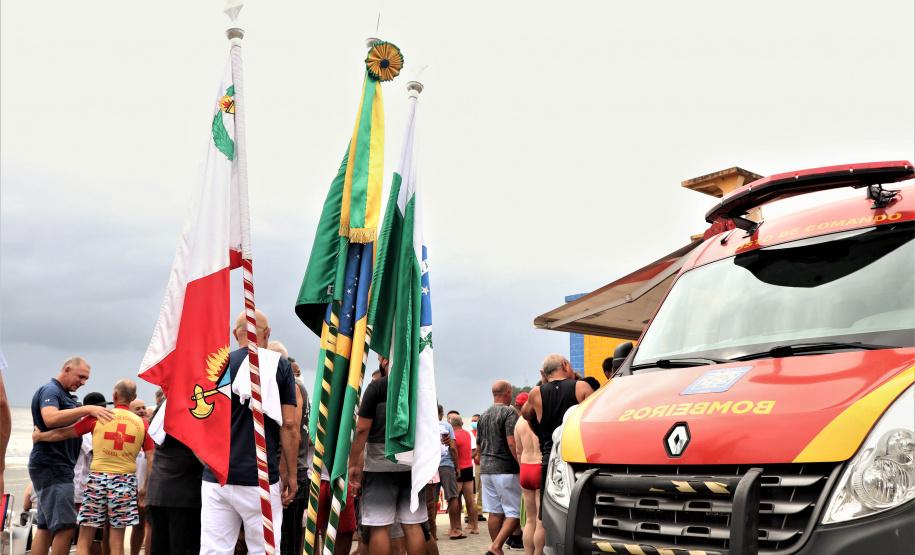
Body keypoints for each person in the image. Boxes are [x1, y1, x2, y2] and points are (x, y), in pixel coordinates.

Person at [200, 310, 299, 555]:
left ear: (235, 334)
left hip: (217, 476)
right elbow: (289, 425)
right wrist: (291, 474)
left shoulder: (217, 364)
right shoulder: (280, 366)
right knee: (264, 551)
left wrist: (206, 461)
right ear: (267, 334)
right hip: (260, 477)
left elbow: (199, 420)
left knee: (214, 551)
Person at [32, 379, 154, 555]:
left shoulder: (98, 417)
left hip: (97, 480)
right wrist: (144, 488)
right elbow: (151, 457)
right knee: (117, 543)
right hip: (125, 482)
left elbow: (63, 433)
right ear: (134, 397)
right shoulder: (143, 424)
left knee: (83, 541)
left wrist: (40, 437)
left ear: (114, 395)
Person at [29, 357, 114, 555]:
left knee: (44, 527)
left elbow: (59, 429)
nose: (83, 382)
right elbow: (50, 419)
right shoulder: (52, 390)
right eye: (81, 376)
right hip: (53, 466)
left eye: (86, 379)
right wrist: (87, 409)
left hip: (54, 465)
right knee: (66, 526)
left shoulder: (63, 394)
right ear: (67, 370)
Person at [348, 358, 427, 555]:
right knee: (413, 524)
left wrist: (353, 462)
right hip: (413, 466)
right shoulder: (421, 386)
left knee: (379, 526)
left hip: (379, 467)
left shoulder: (376, 388)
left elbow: (361, 430)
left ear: (385, 360)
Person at [521, 354, 593, 550]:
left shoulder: (536, 393)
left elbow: (526, 414)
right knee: (581, 512)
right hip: (578, 459)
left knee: (547, 516)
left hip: (549, 458)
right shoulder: (582, 387)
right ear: (565, 365)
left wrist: (544, 385)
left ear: (545, 373)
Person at [477, 381, 522, 555]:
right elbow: (512, 442)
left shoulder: (483, 415)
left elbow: (479, 448)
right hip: (505, 469)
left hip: (486, 470)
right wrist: (520, 463)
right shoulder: (509, 412)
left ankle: (496, 548)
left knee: (494, 512)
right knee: (515, 512)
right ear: (508, 392)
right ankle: (496, 547)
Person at [145, 431, 204, 555]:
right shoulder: (188, 426)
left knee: (161, 547)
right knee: (182, 548)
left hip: (158, 491)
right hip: (183, 495)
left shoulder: (162, 424)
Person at [514, 393, 542, 555]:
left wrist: (522, 467)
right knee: (540, 520)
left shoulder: (519, 421)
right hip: (539, 466)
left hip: (525, 467)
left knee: (529, 520)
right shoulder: (541, 418)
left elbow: (518, 450)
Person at [434, 405, 463, 540]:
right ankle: (453, 530)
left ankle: (432, 532)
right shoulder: (447, 426)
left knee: (432, 499)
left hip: (431, 467)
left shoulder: (424, 425)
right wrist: (457, 467)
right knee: (453, 497)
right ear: (441, 414)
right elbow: (453, 448)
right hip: (446, 465)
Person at [127, 399, 151, 555]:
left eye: (143, 408)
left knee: (140, 524)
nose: (142, 410)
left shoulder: (150, 433)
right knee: (114, 525)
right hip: (125, 485)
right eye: (137, 409)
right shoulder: (128, 431)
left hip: (144, 487)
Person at [449, 414, 479, 534]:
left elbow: (452, 450)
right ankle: (475, 527)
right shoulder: (468, 433)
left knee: (454, 498)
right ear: (461, 423)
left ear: (451, 425)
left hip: (458, 469)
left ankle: (455, 527)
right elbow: (474, 449)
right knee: (470, 499)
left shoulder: (453, 436)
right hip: (469, 468)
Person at [470, 414, 484, 519]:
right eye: (472, 420)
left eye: (476, 420)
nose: (474, 422)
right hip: (474, 465)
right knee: (472, 490)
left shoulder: (483, 433)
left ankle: (479, 512)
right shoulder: (470, 434)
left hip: (482, 464)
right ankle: (468, 514)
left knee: (481, 490)